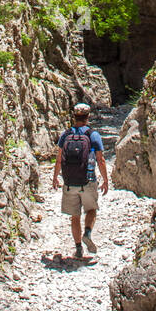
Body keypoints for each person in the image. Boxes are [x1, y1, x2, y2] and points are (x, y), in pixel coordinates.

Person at [52, 102, 108, 259]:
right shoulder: (93, 135)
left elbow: (58, 159)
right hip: (88, 180)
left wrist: (56, 177)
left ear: (74, 117)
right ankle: (88, 233)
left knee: (74, 216)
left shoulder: (66, 134)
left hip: (69, 182)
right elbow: (100, 159)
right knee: (91, 209)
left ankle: (78, 248)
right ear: (88, 117)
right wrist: (105, 180)